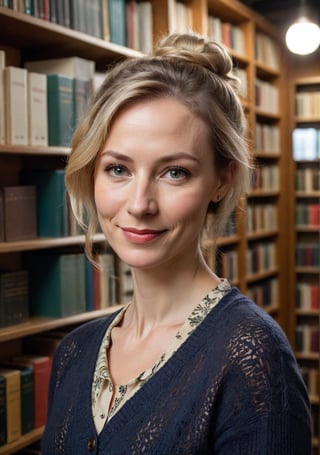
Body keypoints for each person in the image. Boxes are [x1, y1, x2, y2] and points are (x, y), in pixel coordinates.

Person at [41, 32, 311, 454]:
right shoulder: (73, 354)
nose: (140, 204)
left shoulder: (254, 358)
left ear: (222, 180)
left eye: (174, 173)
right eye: (118, 169)